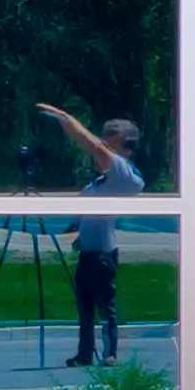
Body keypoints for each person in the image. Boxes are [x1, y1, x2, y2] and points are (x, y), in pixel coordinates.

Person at [33, 99, 155, 363]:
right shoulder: (101, 182)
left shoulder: (125, 174)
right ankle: (85, 353)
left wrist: (66, 118)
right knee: (85, 307)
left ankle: (109, 353)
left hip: (102, 254)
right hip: (88, 251)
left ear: (125, 147)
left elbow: (91, 144)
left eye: (110, 145)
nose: (101, 154)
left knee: (105, 306)